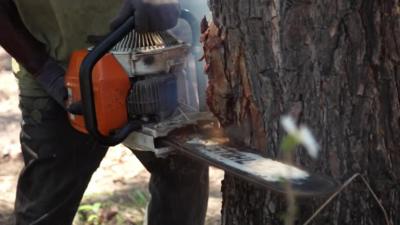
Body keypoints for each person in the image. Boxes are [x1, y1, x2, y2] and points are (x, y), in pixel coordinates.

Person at [0, 0, 209, 225]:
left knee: (183, 178)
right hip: (54, 63)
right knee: (43, 209)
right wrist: (44, 71)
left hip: (150, 55)